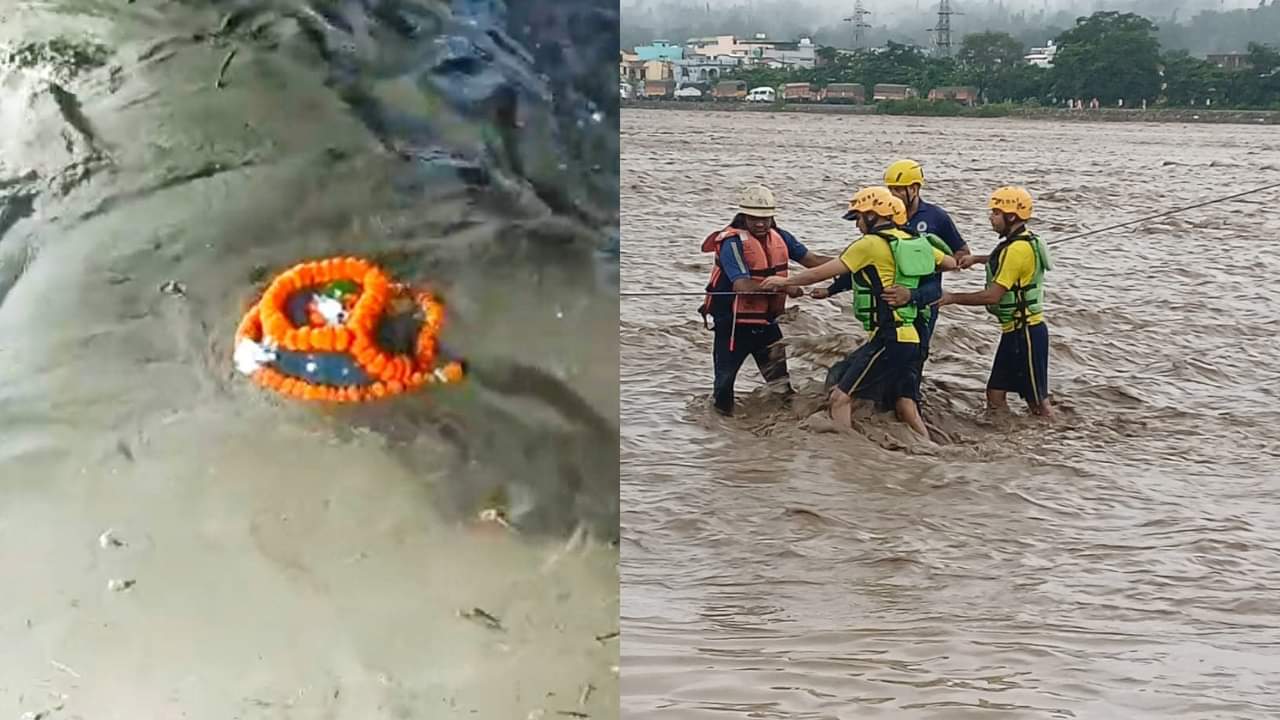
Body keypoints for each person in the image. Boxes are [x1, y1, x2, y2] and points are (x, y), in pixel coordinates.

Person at [761, 187, 956, 439]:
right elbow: (950, 263)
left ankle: (845, 452)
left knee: (840, 397)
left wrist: (783, 282)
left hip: (889, 339)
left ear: (873, 216)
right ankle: (931, 449)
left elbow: (822, 271)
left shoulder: (869, 244)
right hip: (912, 337)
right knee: (904, 403)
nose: (857, 225)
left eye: (859, 218)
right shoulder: (912, 241)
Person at [811, 159, 968, 375]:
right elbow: (865, 264)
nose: (893, 194)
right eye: (890, 189)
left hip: (922, 296)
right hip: (887, 301)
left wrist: (924, 264)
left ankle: (906, 398)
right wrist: (831, 289)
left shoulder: (936, 217)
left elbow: (961, 254)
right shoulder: (885, 215)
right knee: (884, 357)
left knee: (913, 361)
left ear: (914, 188)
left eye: (898, 189)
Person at [699, 185, 833, 416]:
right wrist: (786, 286)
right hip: (733, 326)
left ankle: (784, 428)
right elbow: (742, 286)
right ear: (743, 216)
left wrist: (854, 264)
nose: (760, 224)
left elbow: (811, 260)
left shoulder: (780, 236)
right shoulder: (732, 242)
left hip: (767, 325)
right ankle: (723, 435)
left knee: (781, 386)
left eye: (765, 218)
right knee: (723, 388)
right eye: (754, 219)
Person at [939, 186, 1055, 419]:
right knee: (995, 394)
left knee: (1037, 403)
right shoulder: (1022, 242)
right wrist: (977, 259)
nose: (991, 218)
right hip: (1015, 332)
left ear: (1011, 216)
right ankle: (1007, 439)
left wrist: (951, 298)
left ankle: (1055, 441)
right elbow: (1003, 260)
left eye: (996, 212)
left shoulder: (1017, 249)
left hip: (1027, 334)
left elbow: (992, 296)